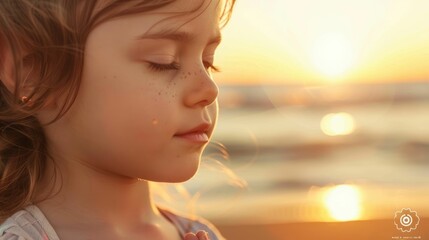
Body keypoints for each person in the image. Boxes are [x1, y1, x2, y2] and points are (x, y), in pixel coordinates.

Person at [0, 0, 236, 239]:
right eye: (163, 61)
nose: (209, 89)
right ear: (36, 72)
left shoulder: (200, 233)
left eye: (208, 62)